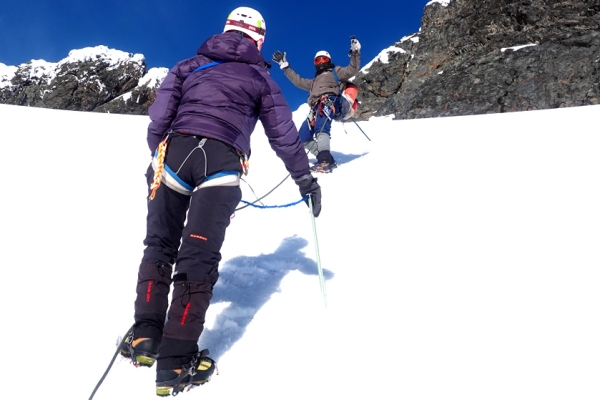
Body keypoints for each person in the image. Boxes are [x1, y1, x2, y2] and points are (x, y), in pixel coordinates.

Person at [119, 7, 322, 397]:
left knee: (159, 244)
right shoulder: (260, 77)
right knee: (198, 257)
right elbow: (283, 136)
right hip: (221, 161)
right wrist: (305, 180)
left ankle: (146, 336)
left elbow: (159, 117)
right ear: (258, 40)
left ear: (226, 31)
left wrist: (159, 155)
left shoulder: (188, 65)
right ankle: (176, 360)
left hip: (172, 154)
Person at [272, 37, 361, 173]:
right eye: (317, 60)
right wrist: (285, 66)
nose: (320, 62)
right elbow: (298, 81)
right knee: (302, 138)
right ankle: (325, 157)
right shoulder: (313, 82)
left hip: (329, 101)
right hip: (314, 108)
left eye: (323, 59)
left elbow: (353, 69)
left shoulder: (336, 72)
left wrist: (355, 52)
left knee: (321, 128)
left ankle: (325, 161)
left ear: (329, 61)